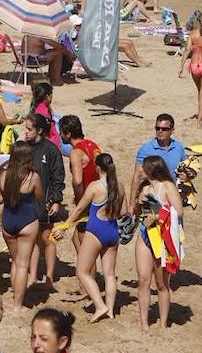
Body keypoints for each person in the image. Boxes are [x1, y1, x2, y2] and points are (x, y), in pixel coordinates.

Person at [57, 153, 127, 322]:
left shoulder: (95, 186)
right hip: (112, 230)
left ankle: (100, 305)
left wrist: (64, 226)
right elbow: (124, 211)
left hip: (96, 230)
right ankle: (110, 310)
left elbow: (79, 209)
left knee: (81, 271)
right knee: (110, 274)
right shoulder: (119, 185)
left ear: (97, 168)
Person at [134, 156, 184, 332]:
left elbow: (178, 212)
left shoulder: (168, 187)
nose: (140, 169)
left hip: (162, 237)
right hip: (145, 234)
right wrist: (138, 204)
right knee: (143, 280)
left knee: (161, 283)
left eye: (144, 167)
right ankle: (144, 323)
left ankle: (163, 323)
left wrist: (156, 216)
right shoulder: (145, 188)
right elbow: (137, 213)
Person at [0, 141, 44, 311]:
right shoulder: (32, 177)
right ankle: (18, 304)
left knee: (15, 261)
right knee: (23, 264)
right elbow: (39, 197)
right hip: (27, 220)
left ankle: (15, 296)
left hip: (9, 220)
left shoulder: (3, 175)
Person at [24, 113, 65, 290]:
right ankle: (32, 275)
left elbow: (58, 176)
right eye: (25, 128)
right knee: (32, 240)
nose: (25, 133)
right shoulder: (23, 148)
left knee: (47, 238)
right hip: (26, 202)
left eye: (29, 129)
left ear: (39, 130)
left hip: (45, 201)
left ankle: (49, 275)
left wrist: (56, 200)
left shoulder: (50, 150)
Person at [59, 115, 101, 252]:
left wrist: (79, 200)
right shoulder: (93, 145)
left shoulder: (75, 152)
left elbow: (77, 181)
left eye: (61, 132)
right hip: (99, 195)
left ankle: (87, 272)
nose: (60, 135)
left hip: (88, 200)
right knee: (76, 239)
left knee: (85, 244)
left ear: (68, 134)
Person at [131, 114, 186, 204]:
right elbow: (137, 177)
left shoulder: (179, 147)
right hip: (152, 197)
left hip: (172, 196)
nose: (160, 131)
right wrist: (132, 203)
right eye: (157, 128)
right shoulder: (146, 149)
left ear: (172, 131)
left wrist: (186, 176)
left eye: (164, 129)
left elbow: (185, 168)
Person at [30, 82, 61, 149]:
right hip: (51, 144)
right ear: (47, 96)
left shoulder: (36, 107)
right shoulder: (44, 112)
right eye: (51, 95)